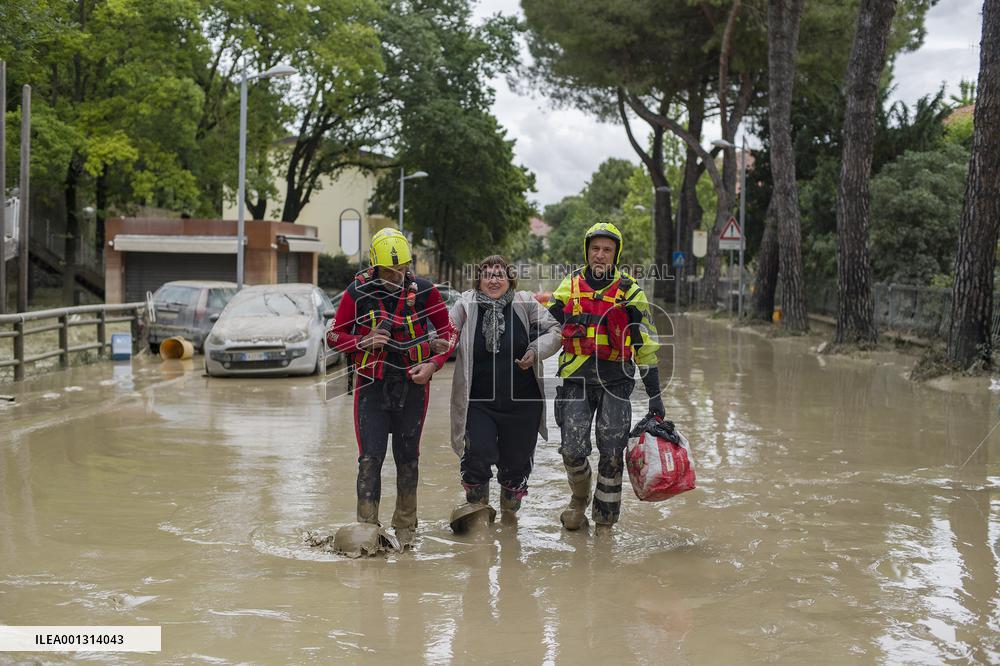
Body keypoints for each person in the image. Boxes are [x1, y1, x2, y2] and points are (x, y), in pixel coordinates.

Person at [326, 228, 454, 546]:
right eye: (388, 271)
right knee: (370, 459)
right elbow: (332, 335)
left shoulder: (426, 293)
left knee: (408, 458)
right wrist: (362, 341)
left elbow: (449, 333)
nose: (396, 276)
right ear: (374, 266)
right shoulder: (356, 294)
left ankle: (406, 529)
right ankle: (367, 531)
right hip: (371, 387)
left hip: (413, 386)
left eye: (401, 268)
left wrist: (434, 364)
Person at [547, 221, 663, 530]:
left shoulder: (631, 292)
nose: (600, 255)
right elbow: (545, 327)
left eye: (607, 250)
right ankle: (579, 498)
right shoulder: (568, 286)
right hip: (576, 382)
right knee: (572, 451)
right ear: (587, 251)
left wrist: (656, 397)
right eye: (595, 248)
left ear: (616, 254)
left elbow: (645, 347)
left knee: (612, 455)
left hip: (616, 383)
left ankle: (604, 526)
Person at [442, 256, 562, 528]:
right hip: (478, 403)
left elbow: (555, 330)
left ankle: (509, 524)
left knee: (515, 470)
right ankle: (478, 521)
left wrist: (535, 350)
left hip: (522, 405)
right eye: (488, 275)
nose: (494, 280)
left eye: (500, 275)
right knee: (476, 455)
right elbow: (447, 331)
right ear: (479, 280)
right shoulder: (465, 305)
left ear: (510, 279)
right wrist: (438, 346)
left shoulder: (525, 302)